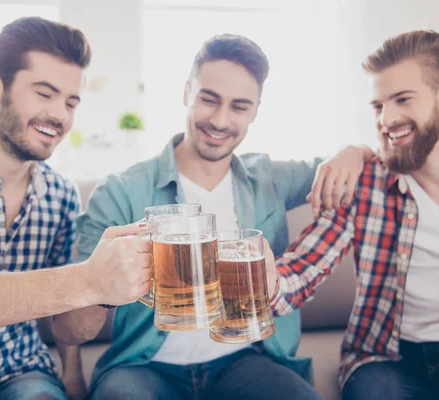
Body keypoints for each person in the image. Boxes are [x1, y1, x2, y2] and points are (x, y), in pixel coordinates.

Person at [51, 34, 374, 399]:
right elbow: (70, 322)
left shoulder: (270, 176)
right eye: (209, 99)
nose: (220, 120)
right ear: (186, 92)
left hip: (246, 359)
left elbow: (358, 168)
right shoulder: (121, 192)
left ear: (255, 110)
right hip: (144, 368)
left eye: (239, 106)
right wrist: (97, 300)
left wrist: (355, 149)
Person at [0, 17, 152, 400]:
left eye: (71, 102)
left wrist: (72, 374)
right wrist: (88, 278)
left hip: (21, 375)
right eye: (44, 94)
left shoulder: (61, 194)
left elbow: (64, 324)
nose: (60, 115)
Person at [270, 30, 439, 400]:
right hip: (388, 359)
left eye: (402, 99)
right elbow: (302, 268)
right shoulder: (365, 180)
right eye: (378, 106)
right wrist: (261, 279)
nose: (387, 119)